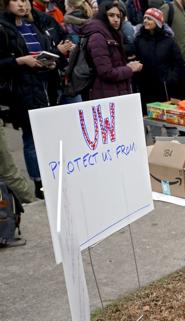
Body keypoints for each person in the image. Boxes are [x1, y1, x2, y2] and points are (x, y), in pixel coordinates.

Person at [0, 0, 73, 198]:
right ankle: (39, 183)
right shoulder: (3, 28)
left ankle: (53, 177)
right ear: (6, 4)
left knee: (50, 135)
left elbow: (44, 51)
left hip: (44, 87)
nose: (23, 5)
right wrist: (20, 61)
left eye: (25, 0)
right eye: (17, 0)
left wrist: (51, 61)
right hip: (22, 91)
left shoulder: (31, 25)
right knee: (31, 138)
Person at [80, 1, 141, 99]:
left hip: (115, 92)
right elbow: (106, 72)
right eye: (111, 15)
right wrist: (130, 68)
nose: (116, 19)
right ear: (103, 16)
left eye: (118, 16)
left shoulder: (112, 34)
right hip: (105, 94)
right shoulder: (98, 37)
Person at [133, 7, 183, 109]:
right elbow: (136, 59)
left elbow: (178, 61)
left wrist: (171, 78)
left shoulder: (169, 40)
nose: (145, 21)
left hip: (164, 87)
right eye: (145, 18)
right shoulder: (139, 39)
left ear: (158, 22)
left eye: (149, 19)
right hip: (145, 86)